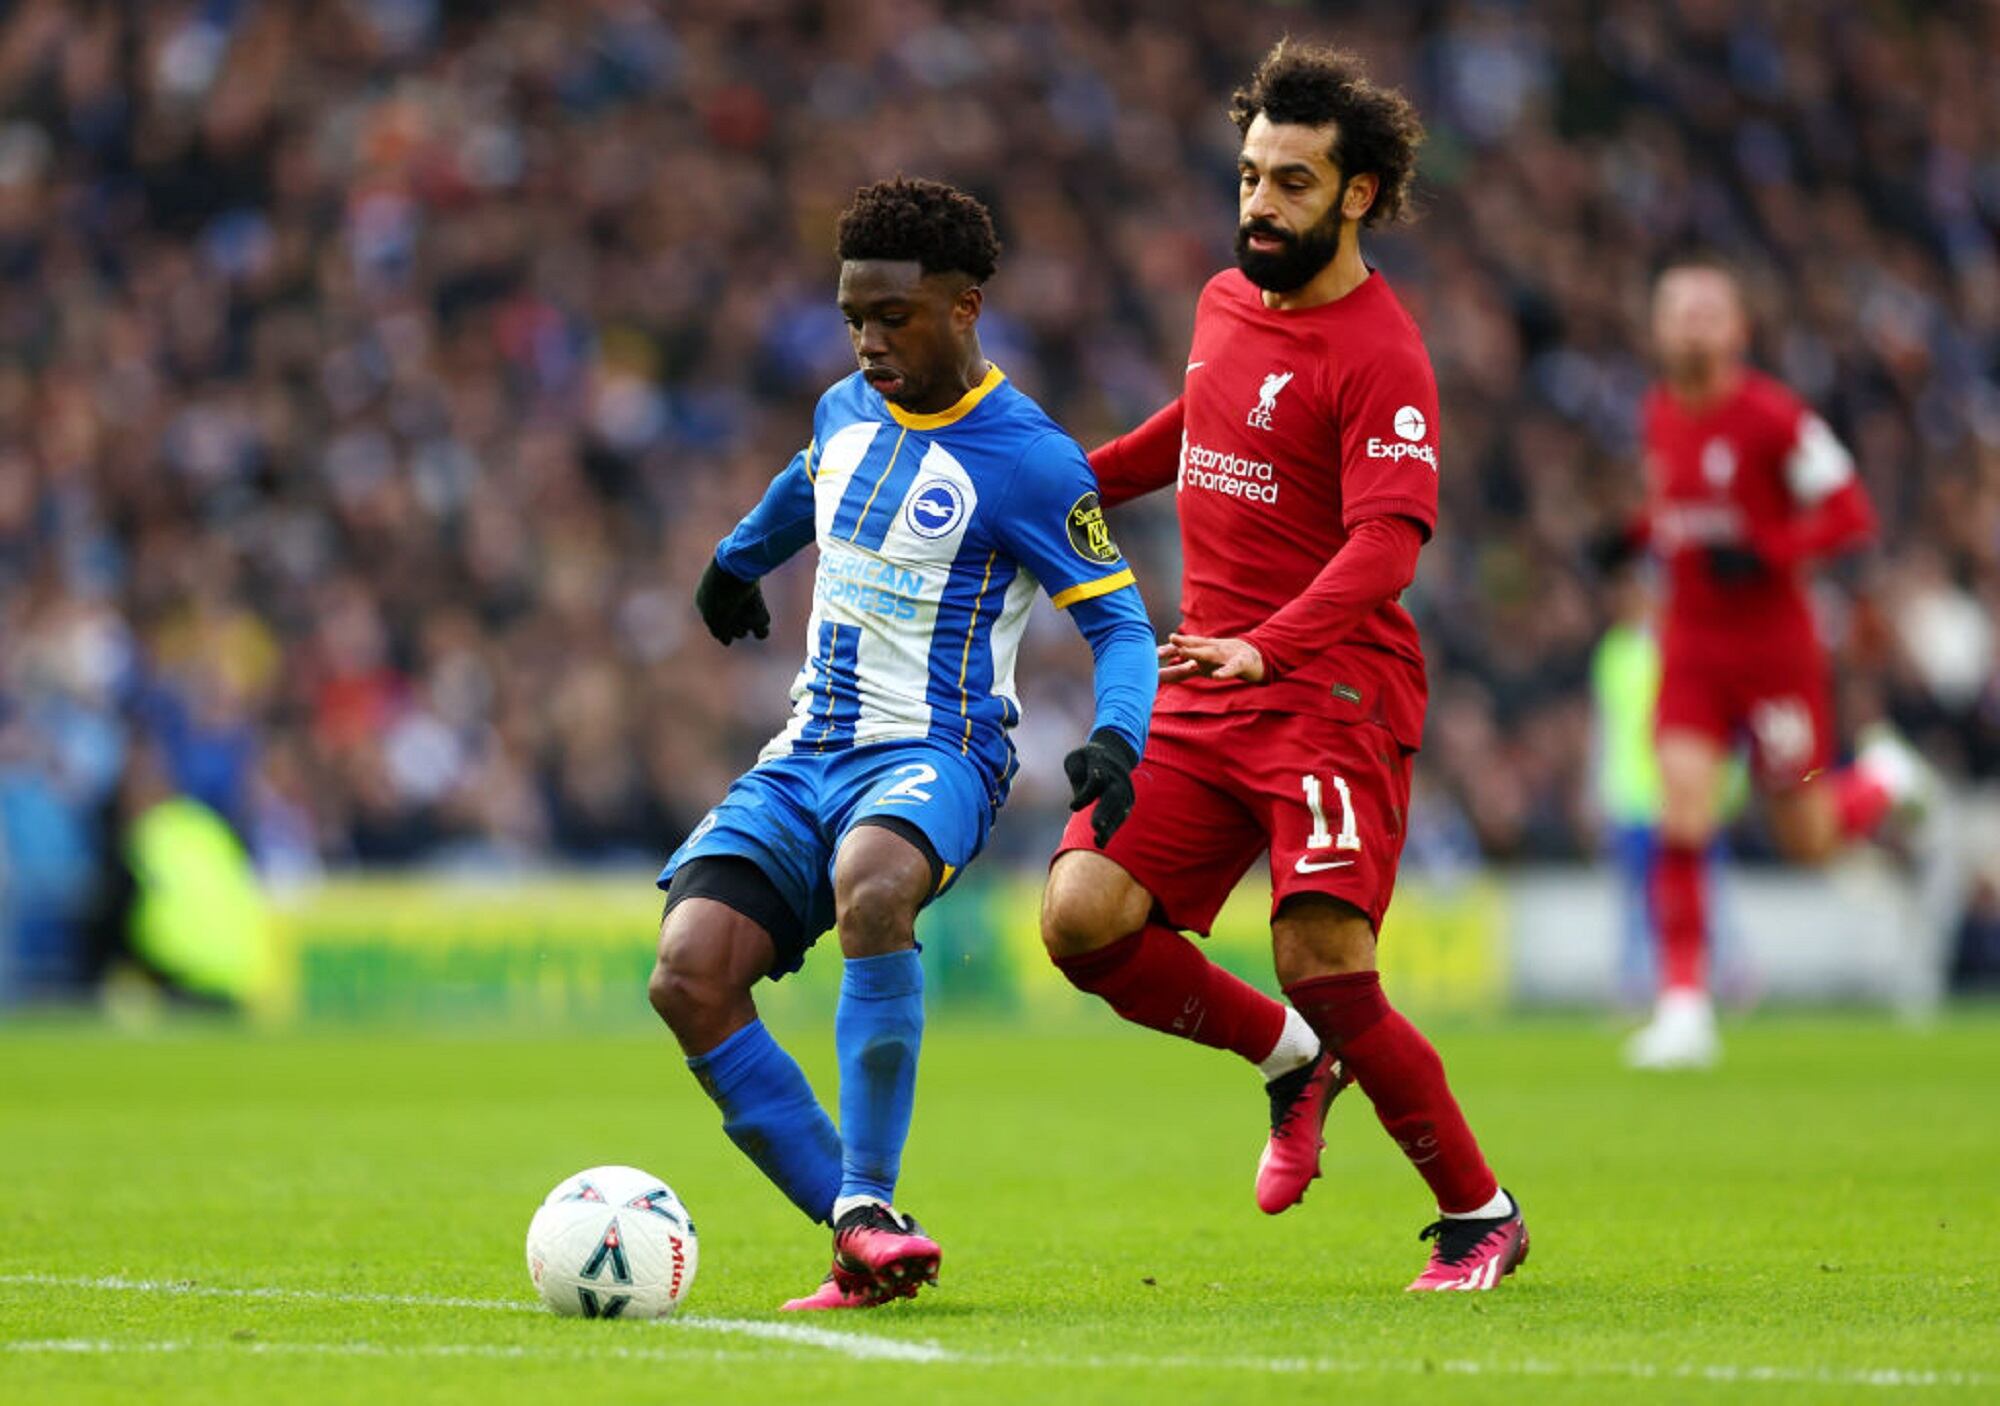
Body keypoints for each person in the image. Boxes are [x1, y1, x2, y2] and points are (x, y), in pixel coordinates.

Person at [1039, 39, 1527, 1293]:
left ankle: (1477, 1212)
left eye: (1290, 183)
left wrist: (1272, 642)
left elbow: (1389, 542)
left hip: (1330, 691)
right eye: (1249, 175)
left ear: (1356, 193)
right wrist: (1051, 491)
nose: (1258, 203)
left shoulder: (1382, 352)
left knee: (1320, 952)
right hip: (1207, 680)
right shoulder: (1221, 300)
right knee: (1080, 919)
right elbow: (1187, 430)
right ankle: (1291, 1058)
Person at [647, 178, 1155, 1311]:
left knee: (872, 888)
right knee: (686, 973)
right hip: (806, 750)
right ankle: (861, 1229)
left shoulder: (1028, 460)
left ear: (965, 306)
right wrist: (737, 558)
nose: (869, 343)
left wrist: (1118, 739)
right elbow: (805, 482)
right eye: (853, 319)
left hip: (936, 751)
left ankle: (867, 1199)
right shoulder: (843, 408)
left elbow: (1118, 621)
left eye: (894, 318)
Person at [1619, 262, 1928, 1069]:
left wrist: (1770, 552)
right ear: (1656, 330)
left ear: (1737, 332)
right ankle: (1684, 1007)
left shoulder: (1775, 419)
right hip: (1691, 647)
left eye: (1706, 312)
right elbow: (1675, 516)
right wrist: (1635, 535)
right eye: (1676, 312)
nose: (1689, 325)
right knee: (1682, 809)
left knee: (1808, 838)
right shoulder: (1656, 414)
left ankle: (1886, 781)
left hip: (1775, 657)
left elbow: (1850, 513)